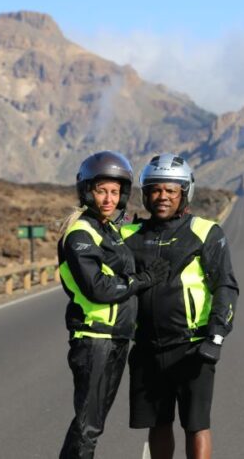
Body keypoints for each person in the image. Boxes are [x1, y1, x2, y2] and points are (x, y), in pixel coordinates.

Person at [122, 153, 239, 459]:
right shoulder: (128, 235)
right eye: (156, 189)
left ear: (185, 192)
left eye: (171, 190)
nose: (163, 197)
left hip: (193, 346)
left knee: (195, 424)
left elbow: (225, 286)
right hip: (147, 348)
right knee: (158, 424)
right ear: (146, 194)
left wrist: (215, 336)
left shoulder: (205, 232)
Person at [57, 150, 170, 459]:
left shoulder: (109, 230)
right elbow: (98, 288)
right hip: (95, 340)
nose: (108, 198)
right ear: (87, 191)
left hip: (115, 338)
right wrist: (143, 279)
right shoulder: (81, 233)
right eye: (101, 190)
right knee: (88, 426)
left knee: (91, 424)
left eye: (115, 191)